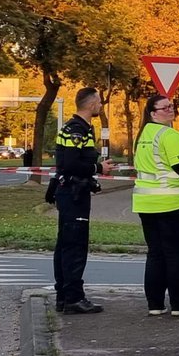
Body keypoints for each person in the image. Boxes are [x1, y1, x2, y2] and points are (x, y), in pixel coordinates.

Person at [52, 87, 115, 314]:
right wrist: (98, 168)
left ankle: (64, 296)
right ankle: (73, 298)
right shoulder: (76, 130)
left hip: (72, 192)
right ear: (90, 105)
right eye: (99, 102)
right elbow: (69, 164)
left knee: (66, 245)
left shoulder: (83, 128)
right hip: (73, 193)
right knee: (74, 246)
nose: (101, 106)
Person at [132, 96, 179, 316]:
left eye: (172, 107)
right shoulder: (170, 135)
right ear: (153, 113)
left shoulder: (142, 136)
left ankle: (154, 304)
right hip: (171, 202)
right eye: (165, 108)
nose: (170, 110)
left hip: (145, 203)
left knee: (155, 254)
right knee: (175, 255)